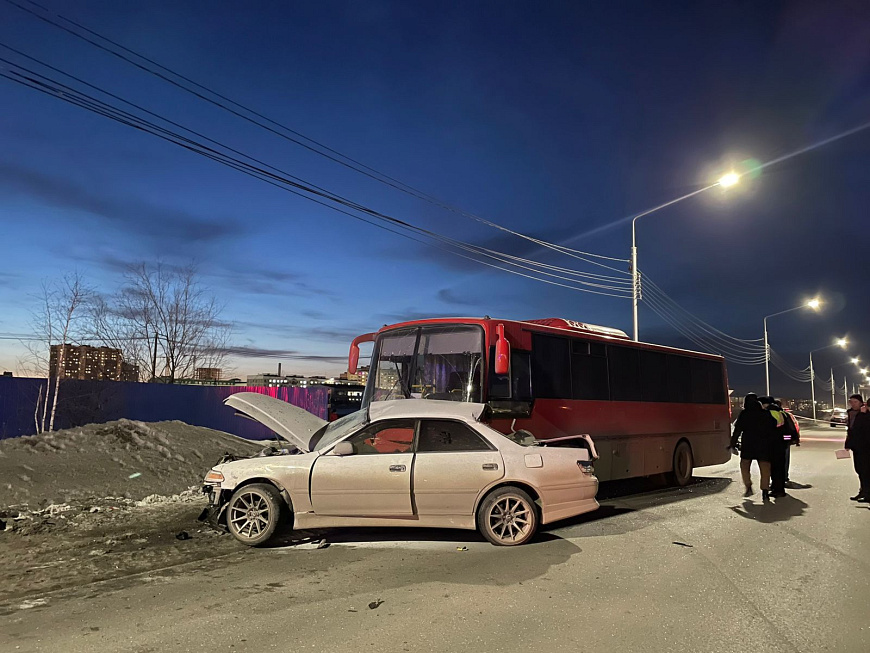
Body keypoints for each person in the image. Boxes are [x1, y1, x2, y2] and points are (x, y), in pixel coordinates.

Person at [730, 393, 777, 499]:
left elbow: (737, 430)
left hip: (748, 444)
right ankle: (765, 490)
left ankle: (748, 486)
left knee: (745, 466)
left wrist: (733, 444)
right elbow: (772, 428)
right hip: (763, 445)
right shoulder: (765, 413)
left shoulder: (744, 414)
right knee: (765, 468)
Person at [759, 396, 793, 498]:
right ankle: (778, 488)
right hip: (781, 445)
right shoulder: (783, 413)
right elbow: (789, 431)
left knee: (775, 469)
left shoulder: (768, 414)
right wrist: (785, 442)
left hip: (772, 445)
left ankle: (777, 490)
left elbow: (766, 431)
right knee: (780, 467)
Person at [844, 394, 870, 502]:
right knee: (859, 470)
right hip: (856, 446)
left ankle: (867, 494)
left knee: (866, 471)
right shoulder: (851, 413)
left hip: (865, 446)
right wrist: (847, 444)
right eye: (851, 402)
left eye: (855, 402)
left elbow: (865, 428)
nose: (853, 404)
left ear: (861, 402)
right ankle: (863, 491)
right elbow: (850, 430)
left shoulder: (866, 413)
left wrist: (863, 414)